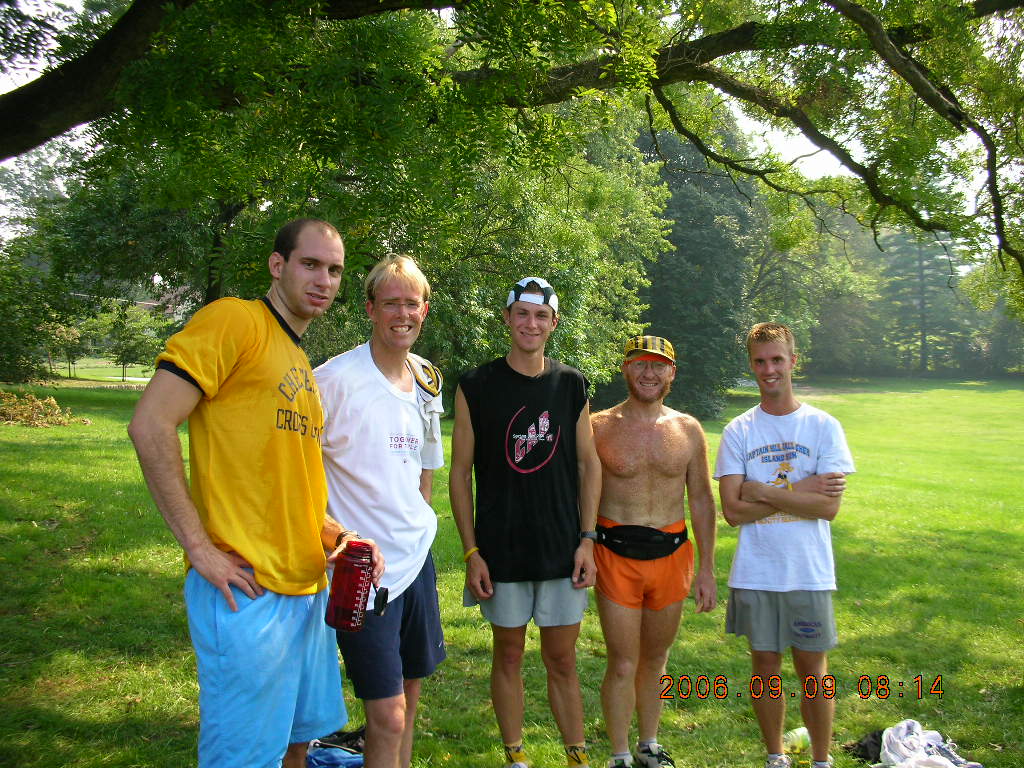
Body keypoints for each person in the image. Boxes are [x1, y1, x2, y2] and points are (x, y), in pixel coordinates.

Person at [128, 218, 382, 768]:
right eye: (310, 264)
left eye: (334, 270)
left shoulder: (299, 363)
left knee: (298, 743)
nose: (323, 280)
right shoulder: (235, 321)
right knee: (244, 757)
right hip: (247, 590)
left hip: (306, 589)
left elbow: (286, 481)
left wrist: (338, 535)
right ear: (277, 265)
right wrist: (199, 548)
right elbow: (150, 424)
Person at [450, 276, 602, 768]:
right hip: (502, 550)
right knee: (509, 654)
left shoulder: (571, 384)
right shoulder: (475, 385)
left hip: (562, 548)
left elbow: (588, 464)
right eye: (522, 313)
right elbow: (460, 474)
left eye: (541, 316)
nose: (530, 324)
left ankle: (576, 754)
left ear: (553, 323)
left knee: (562, 658)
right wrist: (472, 551)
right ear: (507, 318)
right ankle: (516, 755)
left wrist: (587, 540)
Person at [314, 255, 446, 768]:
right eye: (391, 303)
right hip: (363, 570)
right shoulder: (332, 381)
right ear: (370, 309)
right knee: (386, 716)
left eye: (412, 304)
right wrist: (333, 537)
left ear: (425, 310)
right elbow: (294, 473)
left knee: (409, 697)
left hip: (416, 561)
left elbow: (425, 469)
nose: (402, 314)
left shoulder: (427, 377)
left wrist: (416, 521)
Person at [713, 322, 854, 768]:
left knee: (813, 670)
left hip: (808, 571)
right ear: (751, 365)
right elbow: (733, 511)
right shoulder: (739, 430)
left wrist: (763, 490)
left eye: (777, 359)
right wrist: (801, 489)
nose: (769, 369)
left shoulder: (823, 426)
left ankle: (821, 760)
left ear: (793, 360)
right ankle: (776, 755)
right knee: (765, 668)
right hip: (757, 571)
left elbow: (828, 508)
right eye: (760, 361)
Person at [590, 336, 717, 768]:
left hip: (671, 555)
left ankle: (648, 744)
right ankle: (619, 754)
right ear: (625, 369)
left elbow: (701, 499)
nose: (649, 373)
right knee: (623, 661)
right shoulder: (598, 426)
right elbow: (581, 493)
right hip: (615, 554)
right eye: (640, 363)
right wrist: (583, 546)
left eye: (658, 365)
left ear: (671, 373)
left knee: (656, 658)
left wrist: (707, 569)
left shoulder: (688, 429)